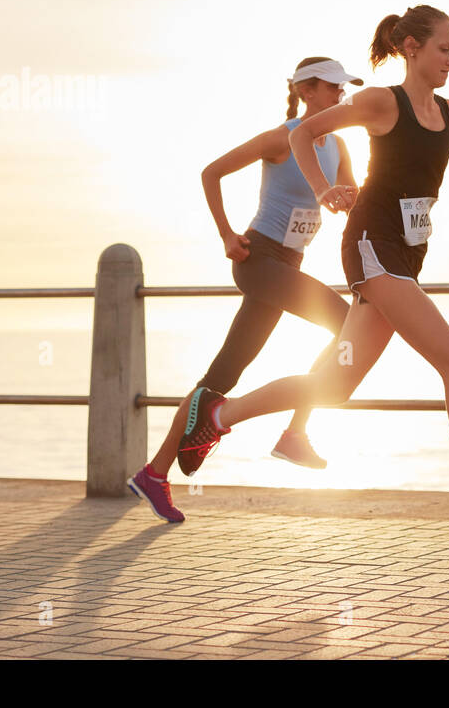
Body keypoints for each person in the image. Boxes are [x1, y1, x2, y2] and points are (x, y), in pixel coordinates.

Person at [172, 5, 449, 547]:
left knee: (333, 387)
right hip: (371, 249)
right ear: (411, 48)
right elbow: (302, 135)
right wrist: (323, 189)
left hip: (404, 258)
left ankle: (217, 414)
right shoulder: (383, 101)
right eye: (443, 49)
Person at [127, 57, 364, 523]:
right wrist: (226, 235)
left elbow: (352, 196)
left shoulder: (338, 144)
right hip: (259, 260)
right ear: (307, 90)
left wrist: (349, 198)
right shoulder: (280, 138)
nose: (341, 95)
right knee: (347, 324)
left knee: (220, 380)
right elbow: (210, 173)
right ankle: (295, 433)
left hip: (288, 264)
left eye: (344, 88)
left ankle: (154, 473)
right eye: (333, 88)